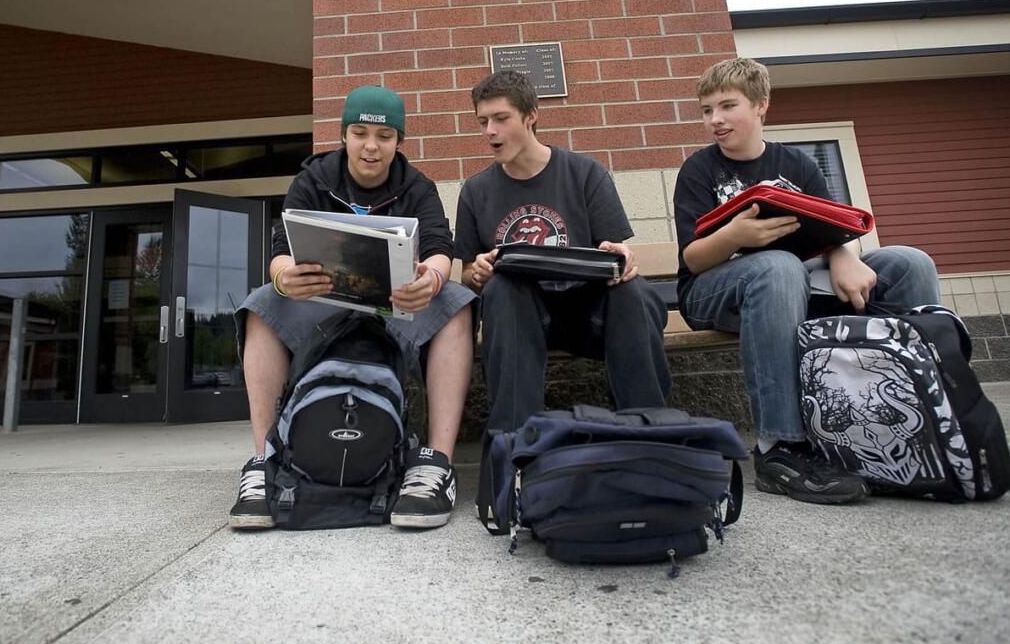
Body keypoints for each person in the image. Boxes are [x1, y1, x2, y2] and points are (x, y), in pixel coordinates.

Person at [673, 57, 940, 504]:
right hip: (715, 293)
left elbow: (834, 227)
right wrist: (735, 234)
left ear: (761, 105)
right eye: (706, 110)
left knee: (909, 262)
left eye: (726, 106)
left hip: (797, 287)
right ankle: (780, 449)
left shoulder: (796, 164)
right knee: (778, 265)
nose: (714, 120)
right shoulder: (699, 170)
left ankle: (925, 420)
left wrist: (843, 254)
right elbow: (693, 259)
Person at [229, 85, 476, 530]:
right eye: (359, 132)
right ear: (343, 136)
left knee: (457, 302)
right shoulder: (313, 179)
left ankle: (434, 464)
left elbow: (441, 247)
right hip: (323, 305)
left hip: (395, 309)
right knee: (260, 304)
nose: (370, 146)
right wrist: (285, 276)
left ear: (399, 142)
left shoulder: (418, 186)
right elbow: (281, 249)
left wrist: (433, 278)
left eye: (383, 136)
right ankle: (264, 462)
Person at [454, 70, 673, 435]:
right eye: (482, 121)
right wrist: (475, 272)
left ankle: (648, 438)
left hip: (589, 318)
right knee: (502, 290)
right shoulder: (476, 191)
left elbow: (616, 253)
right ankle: (515, 454)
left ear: (531, 115)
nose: (489, 130)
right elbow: (465, 275)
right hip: (520, 322)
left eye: (501, 118)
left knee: (633, 291)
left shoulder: (583, 172)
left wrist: (623, 256)